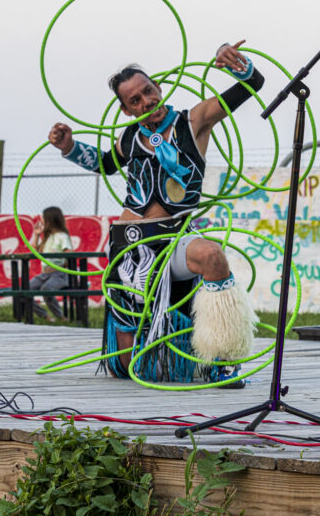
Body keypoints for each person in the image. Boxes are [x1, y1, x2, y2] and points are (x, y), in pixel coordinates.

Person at [48, 40, 264, 382]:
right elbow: (106, 163)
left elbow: (252, 86)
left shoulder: (193, 121)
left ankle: (224, 357)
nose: (147, 101)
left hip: (172, 236)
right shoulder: (130, 137)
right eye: (135, 100)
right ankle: (140, 350)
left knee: (212, 256)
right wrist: (69, 147)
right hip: (129, 247)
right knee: (126, 365)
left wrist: (237, 64)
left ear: (159, 87)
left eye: (148, 91)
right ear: (126, 109)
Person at [28, 206, 74, 321]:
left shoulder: (62, 237)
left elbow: (69, 254)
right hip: (44, 273)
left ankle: (61, 317)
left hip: (58, 274)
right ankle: (45, 316)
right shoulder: (47, 237)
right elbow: (35, 252)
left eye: (44, 218)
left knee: (46, 289)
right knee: (25, 290)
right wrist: (37, 235)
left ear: (51, 219)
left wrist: (62, 265)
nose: (42, 220)